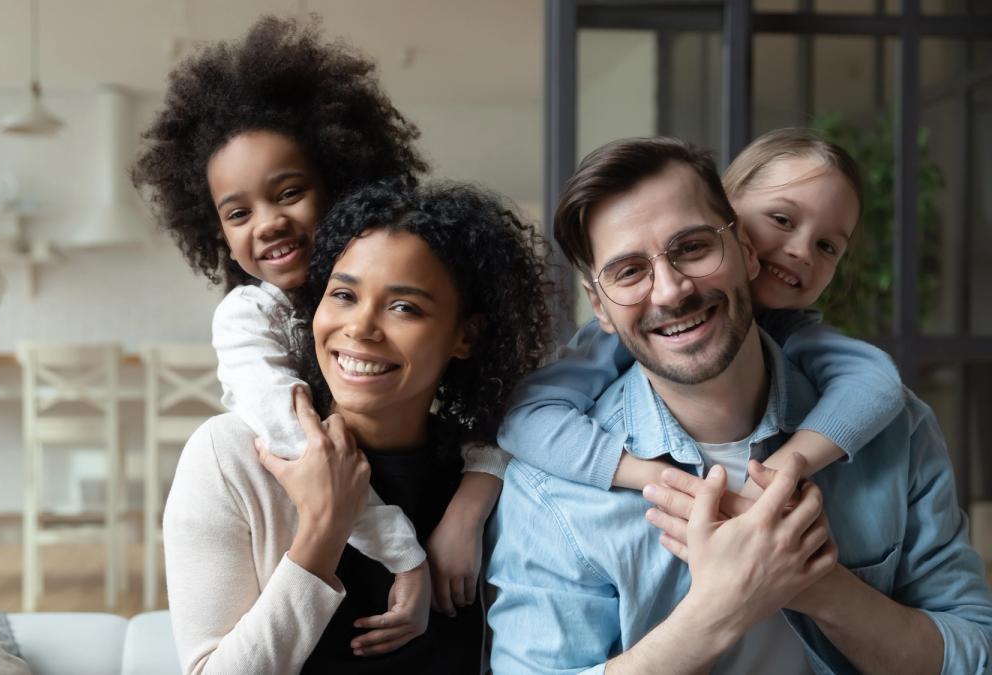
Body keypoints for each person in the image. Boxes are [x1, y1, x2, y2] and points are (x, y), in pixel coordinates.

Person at [487, 136, 992, 674]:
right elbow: (523, 417)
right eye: (629, 271)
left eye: (693, 247)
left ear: (746, 251)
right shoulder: (551, 491)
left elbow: (974, 654)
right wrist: (718, 611)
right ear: (601, 308)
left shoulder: (895, 429)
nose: (670, 291)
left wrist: (818, 585)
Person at [131, 16, 509, 632]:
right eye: (238, 212)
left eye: (288, 192)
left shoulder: (430, 320)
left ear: (341, 184)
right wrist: (405, 557)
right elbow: (308, 451)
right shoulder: (250, 319)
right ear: (218, 236)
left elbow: (510, 402)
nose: (268, 223)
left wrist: (472, 499)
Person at [163, 181, 551, 674]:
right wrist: (321, 536)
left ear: (465, 335)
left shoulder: (492, 478)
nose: (361, 327)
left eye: (404, 307)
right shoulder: (231, 457)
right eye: (343, 294)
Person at [499, 128, 902, 501]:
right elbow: (525, 415)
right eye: (782, 220)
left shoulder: (794, 331)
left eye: (828, 246)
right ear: (730, 220)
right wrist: (652, 477)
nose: (801, 251)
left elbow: (877, 384)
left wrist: (782, 469)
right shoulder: (625, 327)